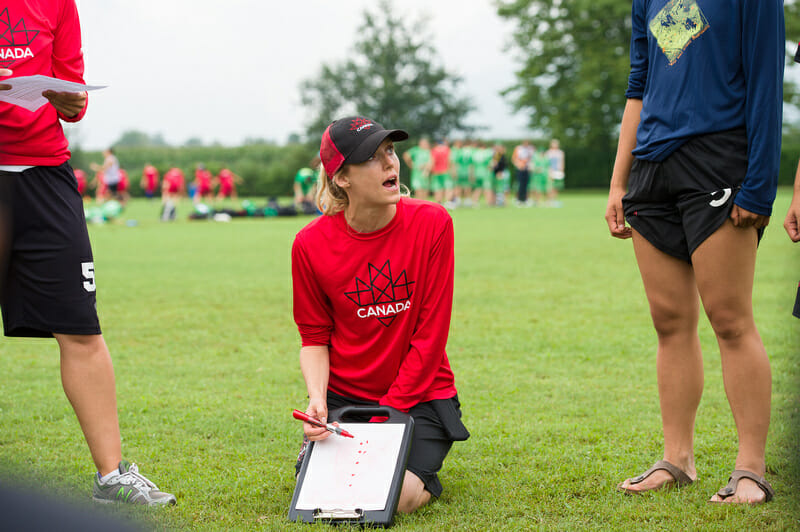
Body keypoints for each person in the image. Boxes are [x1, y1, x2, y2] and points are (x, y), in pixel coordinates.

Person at [605, 0, 783, 504]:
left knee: (729, 319)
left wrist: (759, 187)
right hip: (651, 167)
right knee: (669, 322)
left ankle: (750, 470)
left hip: (719, 160)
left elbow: (767, 81)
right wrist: (620, 181)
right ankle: (677, 459)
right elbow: (638, 86)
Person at [0, 1, 174, 506]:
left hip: (43, 174)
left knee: (80, 328)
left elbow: (73, 102)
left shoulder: (58, 4)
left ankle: (112, 477)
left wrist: (64, 97)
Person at [292, 116, 469, 514]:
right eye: (372, 157)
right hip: (347, 397)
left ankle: (418, 467)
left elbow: (430, 338)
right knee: (330, 496)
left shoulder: (433, 223)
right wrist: (317, 401)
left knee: (396, 499)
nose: (390, 163)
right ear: (342, 178)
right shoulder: (309, 245)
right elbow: (314, 339)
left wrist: (384, 423)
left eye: (390, 150)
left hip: (420, 394)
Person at [429, 140, 452, 205]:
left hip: (436, 173)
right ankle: (448, 202)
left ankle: (439, 203)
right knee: (448, 188)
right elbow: (449, 160)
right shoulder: (447, 149)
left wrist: (428, 171)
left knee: (438, 189)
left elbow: (432, 161)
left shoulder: (434, 150)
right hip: (445, 171)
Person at [511, 139, 534, 206]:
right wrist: (519, 165)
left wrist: (530, 166)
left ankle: (525, 199)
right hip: (520, 169)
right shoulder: (518, 148)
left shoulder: (530, 149)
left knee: (526, 185)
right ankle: (519, 199)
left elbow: (531, 159)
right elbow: (514, 159)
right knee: (520, 185)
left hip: (527, 169)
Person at [545, 139, 565, 207]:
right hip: (550, 171)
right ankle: (548, 200)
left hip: (557, 171)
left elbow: (562, 162)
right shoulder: (548, 152)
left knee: (556, 186)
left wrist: (561, 170)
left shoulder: (560, 152)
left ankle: (554, 200)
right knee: (550, 186)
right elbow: (546, 163)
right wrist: (548, 171)